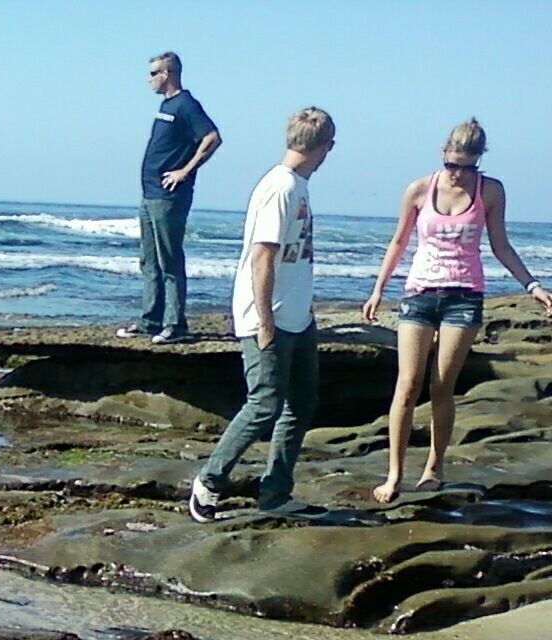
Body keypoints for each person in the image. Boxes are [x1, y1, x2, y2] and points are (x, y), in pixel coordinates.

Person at [361, 118, 552, 503]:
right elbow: (398, 242)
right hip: (419, 294)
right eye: (452, 164)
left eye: (467, 167)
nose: (458, 174)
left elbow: (500, 244)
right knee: (407, 384)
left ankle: (434, 468)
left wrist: (532, 286)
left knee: (441, 385)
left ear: (478, 160)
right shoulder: (419, 189)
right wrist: (378, 290)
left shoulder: (490, 191)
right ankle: (394, 474)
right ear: (443, 155)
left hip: (464, 297)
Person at [189, 108, 336, 523]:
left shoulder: (298, 186)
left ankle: (276, 493)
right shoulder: (280, 187)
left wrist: (303, 310)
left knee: (301, 403)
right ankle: (208, 482)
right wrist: (265, 321)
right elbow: (262, 257)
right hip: (268, 316)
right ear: (326, 147)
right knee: (264, 403)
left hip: (298, 316)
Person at [117, 51, 221, 345]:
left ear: (167, 74)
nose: (149, 79)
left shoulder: (186, 104)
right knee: (149, 261)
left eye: (154, 73)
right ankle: (150, 320)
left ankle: (175, 324)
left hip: (168, 196)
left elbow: (212, 138)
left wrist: (184, 171)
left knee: (169, 261)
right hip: (150, 194)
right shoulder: (166, 105)